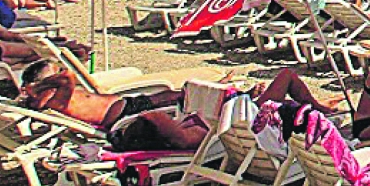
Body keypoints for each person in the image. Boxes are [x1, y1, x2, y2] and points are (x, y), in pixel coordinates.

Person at [19, 62, 328, 133]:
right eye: (54, 72)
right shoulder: (54, 97)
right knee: (286, 75)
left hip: (128, 107)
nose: (61, 72)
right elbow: (68, 77)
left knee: (182, 95)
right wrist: (42, 85)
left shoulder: (53, 95)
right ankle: (317, 109)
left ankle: (236, 92)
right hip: (127, 114)